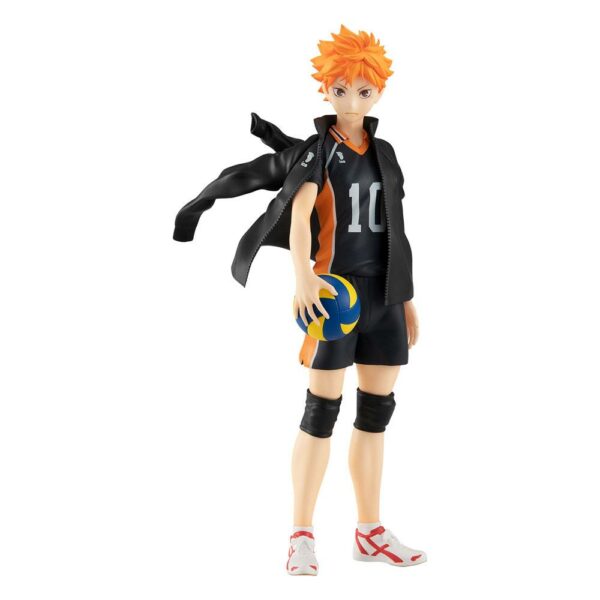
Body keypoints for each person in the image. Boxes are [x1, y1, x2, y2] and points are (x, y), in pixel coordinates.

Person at [172, 25, 426, 576]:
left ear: (379, 92)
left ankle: (369, 531)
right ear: (326, 89)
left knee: (375, 414)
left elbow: (396, 225)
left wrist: (405, 295)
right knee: (320, 412)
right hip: (334, 295)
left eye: (363, 90)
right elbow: (302, 214)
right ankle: (301, 534)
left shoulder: (385, 153)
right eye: (341, 89)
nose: (352, 100)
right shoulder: (319, 151)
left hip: (384, 295)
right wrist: (304, 277)